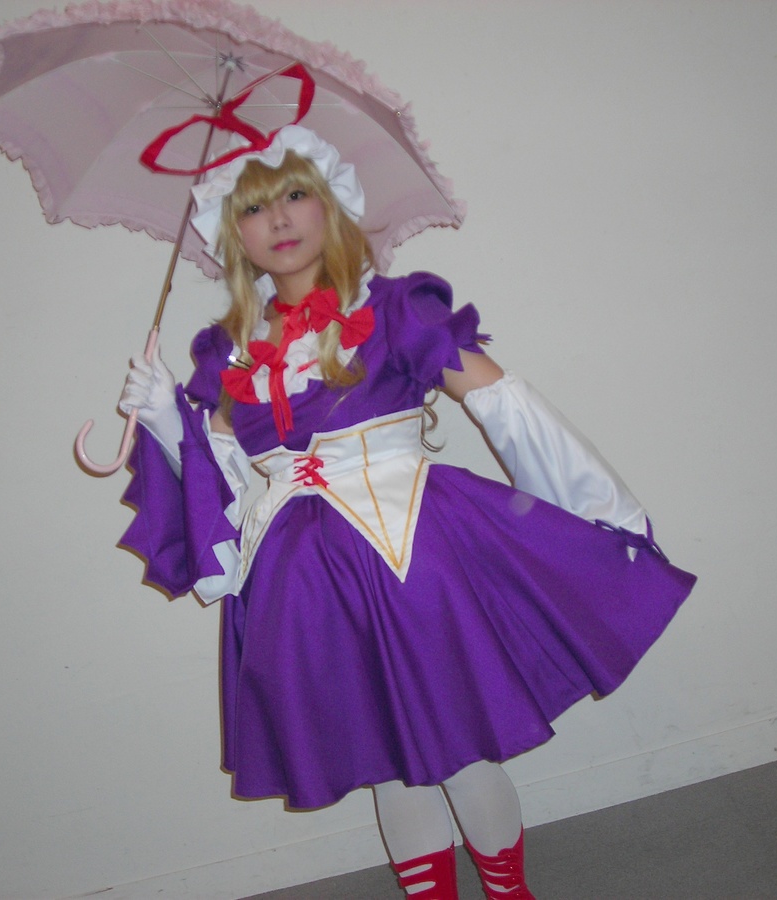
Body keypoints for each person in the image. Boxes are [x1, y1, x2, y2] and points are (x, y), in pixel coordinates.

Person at [118, 125, 696, 899]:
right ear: (234, 233)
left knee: (457, 747)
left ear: (330, 204)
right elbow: (214, 482)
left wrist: (595, 508)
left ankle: (510, 894)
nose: (278, 219)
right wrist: (165, 422)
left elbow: (502, 402)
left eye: (295, 194)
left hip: (416, 553)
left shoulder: (393, 310)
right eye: (254, 208)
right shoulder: (228, 353)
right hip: (305, 579)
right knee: (384, 755)